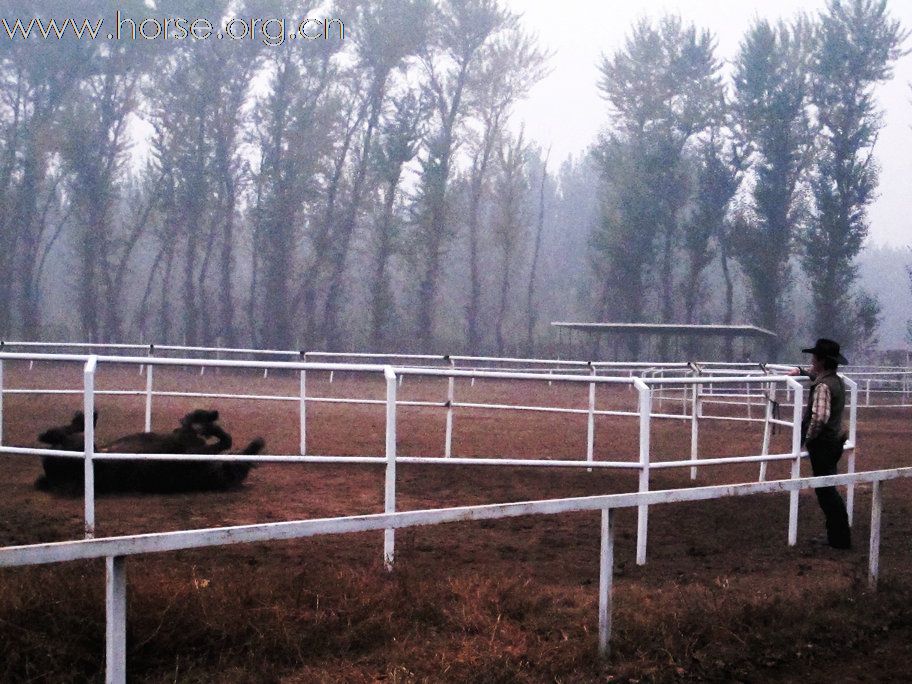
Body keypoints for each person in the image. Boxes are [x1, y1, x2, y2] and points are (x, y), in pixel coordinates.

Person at [787, 339, 851, 549]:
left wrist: (808, 438)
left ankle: (839, 538)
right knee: (827, 489)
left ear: (822, 360)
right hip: (832, 442)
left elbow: (819, 417)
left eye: (814, 358)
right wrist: (801, 371)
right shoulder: (835, 381)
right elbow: (815, 376)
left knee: (826, 491)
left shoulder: (823, 386)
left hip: (823, 445)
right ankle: (837, 535)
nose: (812, 361)